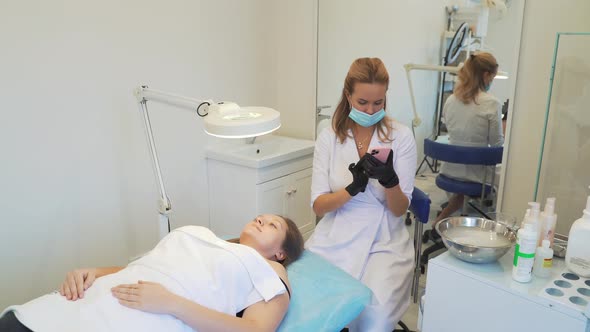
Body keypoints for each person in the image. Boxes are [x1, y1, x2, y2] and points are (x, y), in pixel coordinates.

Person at [0, 214, 304, 332]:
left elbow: (256, 330)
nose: (261, 220)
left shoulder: (270, 269)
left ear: (282, 253)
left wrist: (172, 303)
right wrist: (95, 272)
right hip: (94, 296)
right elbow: (151, 266)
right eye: (260, 217)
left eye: (272, 225)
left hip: (148, 316)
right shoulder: (212, 240)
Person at [305, 57, 417, 331]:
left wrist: (390, 181)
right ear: (348, 95)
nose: (370, 110)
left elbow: (400, 210)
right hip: (337, 232)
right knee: (310, 303)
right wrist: (353, 188)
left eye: (378, 103)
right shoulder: (329, 136)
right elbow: (319, 207)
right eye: (363, 102)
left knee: (373, 317)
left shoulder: (400, 137)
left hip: (384, 238)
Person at [432, 52, 504, 233]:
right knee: (508, 175)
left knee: (470, 169)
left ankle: (444, 218)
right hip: (476, 176)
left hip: (449, 170)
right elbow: (497, 145)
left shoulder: (451, 99)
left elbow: (452, 130)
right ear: (486, 75)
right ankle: (490, 229)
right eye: (493, 77)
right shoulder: (491, 103)